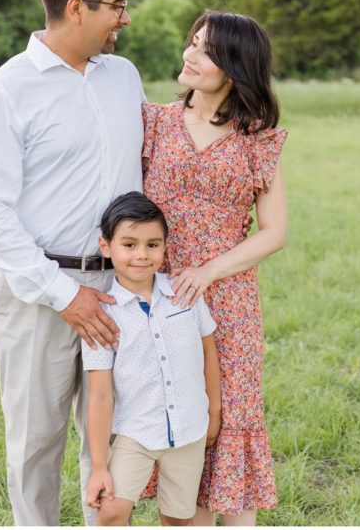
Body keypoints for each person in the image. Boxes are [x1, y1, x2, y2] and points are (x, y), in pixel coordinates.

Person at [0, 0, 145, 526]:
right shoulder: (7, 91)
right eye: (116, 5)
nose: (124, 16)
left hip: (119, 289)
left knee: (114, 444)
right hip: (38, 292)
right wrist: (65, 295)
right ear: (76, 8)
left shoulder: (124, 77)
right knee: (36, 445)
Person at [140, 12, 288, 526]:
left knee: (233, 422)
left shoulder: (257, 138)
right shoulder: (154, 122)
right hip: (161, 296)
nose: (190, 55)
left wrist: (207, 271)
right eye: (192, 43)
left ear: (234, 67)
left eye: (205, 50)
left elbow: (274, 231)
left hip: (229, 299)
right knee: (181, 423)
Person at [82, 192, 221, 526]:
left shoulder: (183, 292)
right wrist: (100, 466)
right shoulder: (102, 314)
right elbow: (100, 394)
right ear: (106, 247)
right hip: (136, 432)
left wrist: (213, 412)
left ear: (164, 247)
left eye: (152, 245)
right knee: (112, 512)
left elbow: (209, 352)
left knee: (179, 518)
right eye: (129, 245)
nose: (142, 255)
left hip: (189, 429)